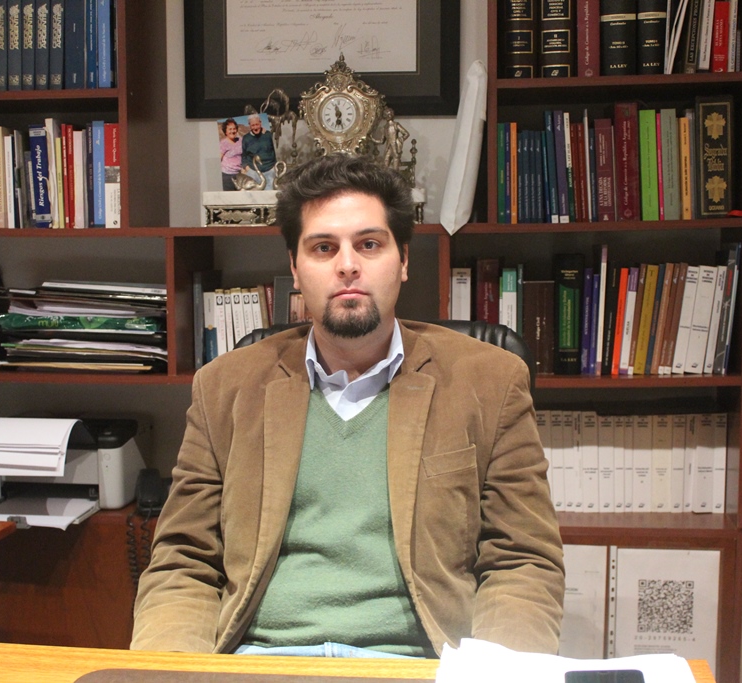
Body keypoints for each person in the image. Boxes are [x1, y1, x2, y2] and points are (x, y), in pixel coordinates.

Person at [131, 154, 564, 658]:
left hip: (414, 666)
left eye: (369, 244)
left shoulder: (489, 381)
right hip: (263, 662)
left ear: (404, 260)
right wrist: (175, 672)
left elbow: (522, 562)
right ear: (295, 268)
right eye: (323, 247)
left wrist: (496, 674)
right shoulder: (225, 388)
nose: (347, 265)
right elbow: (183, 562)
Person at [241, 113, 277, 190]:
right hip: (253, 172)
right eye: (253, 125)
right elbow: (243, 155)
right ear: (249, 125)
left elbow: (274, 151)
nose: (255, 127)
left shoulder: (268, 135)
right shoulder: (246, 138)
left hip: (269, 170)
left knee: (269, 195)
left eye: (257, 124)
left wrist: (274, 167)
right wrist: (247, 168)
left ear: (260, 123)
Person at [219, 118, 243, 191]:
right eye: (230, 129)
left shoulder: (240, 140)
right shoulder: (223, 143)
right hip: (227, 175)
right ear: (225, 131)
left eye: (234, 129)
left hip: (239, 175)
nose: (232, 131)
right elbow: (219, 159)